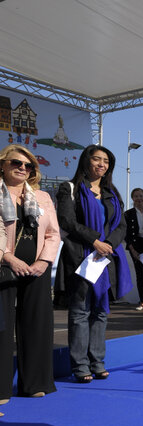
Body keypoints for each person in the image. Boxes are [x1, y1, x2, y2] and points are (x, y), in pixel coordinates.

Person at [56, 144, 132, 384]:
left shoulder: (112, 192)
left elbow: (121, 225)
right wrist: (95, 241)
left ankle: (97, 362)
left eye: (106, 161)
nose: (102, 164)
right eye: (97, 159)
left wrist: (107, 243)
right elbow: (66, 221)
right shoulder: (70, 188)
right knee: (80, 312)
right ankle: (80, 366)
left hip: (106, 257)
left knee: (100, 312)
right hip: (82, 256)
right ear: (86, 161)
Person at [0, 144, 59, 405]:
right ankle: (1, 389)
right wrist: (8, 258)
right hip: (3, 266)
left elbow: (53, 234)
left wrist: (44, 261)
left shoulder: (42, 197)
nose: (22, 168)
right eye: (16, 163)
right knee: (1, 329)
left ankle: (35, 382)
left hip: (37, 269)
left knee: (37, 325)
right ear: (3, 164)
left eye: (28, 165)